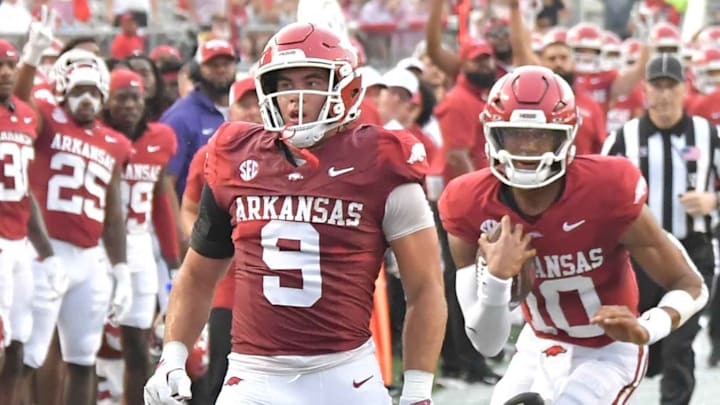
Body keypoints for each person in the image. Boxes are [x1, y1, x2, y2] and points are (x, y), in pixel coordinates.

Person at [144, 22, 447, 405]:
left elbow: (426, 287)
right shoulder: (235, 157)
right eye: (284, 84)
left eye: (312, 82)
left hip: (345, 373)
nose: (296, 97)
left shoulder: (382, 160)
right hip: (253, 375)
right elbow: (198, 275)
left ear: (345, 88)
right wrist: (172, 356)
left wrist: (418, 391)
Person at [438, 65, 708, 405]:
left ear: (567, 135)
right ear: (492, 135)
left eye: (540, 136)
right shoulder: (468, 202)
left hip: (608, 350)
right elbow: (488, 345)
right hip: (539, 345)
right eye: (515, 134)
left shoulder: (607, 189)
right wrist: (495, 279)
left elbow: (691, 284)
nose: (527, 149)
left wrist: (647, 328)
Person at [14, 11, 134, 405]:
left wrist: (120, 267)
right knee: (27, 355)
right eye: (77, 90)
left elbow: (114, 214)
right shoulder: (48, 122)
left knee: (83, 358)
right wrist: (32, 55)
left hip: (90, 258)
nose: (85, 99)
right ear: (64, 90)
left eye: (92, 91)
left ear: (103, 94)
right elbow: (18, 100)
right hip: (45, 253)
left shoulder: (114, 143)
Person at [603, 53, 720, 405]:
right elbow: (597, 189)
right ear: (645, 90)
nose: (665, 95)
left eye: (672, 86)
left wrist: (712, 200)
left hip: (693, 250)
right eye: (658, 86)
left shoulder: (708, 133)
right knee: (637, 345)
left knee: (679, 345)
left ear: (685, 89)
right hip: (642, 255)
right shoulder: (624, 137)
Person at [101, 68, 180, 404]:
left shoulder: (161, 138)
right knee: (86, 346)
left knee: (139, 346)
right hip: (97, 247)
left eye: (135, 98)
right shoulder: (94, 134)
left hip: (138, 245)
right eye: (122, 98)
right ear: (108, 100)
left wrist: (174, 259)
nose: (130, 105)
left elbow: (161, 199)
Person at [0, 38, 67, 405]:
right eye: (0, 66)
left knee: (19, 342)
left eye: (11, 65)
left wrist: (48, 253)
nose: (6, 72)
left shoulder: (24, 115)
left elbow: (24, 192)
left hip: (18, 245)